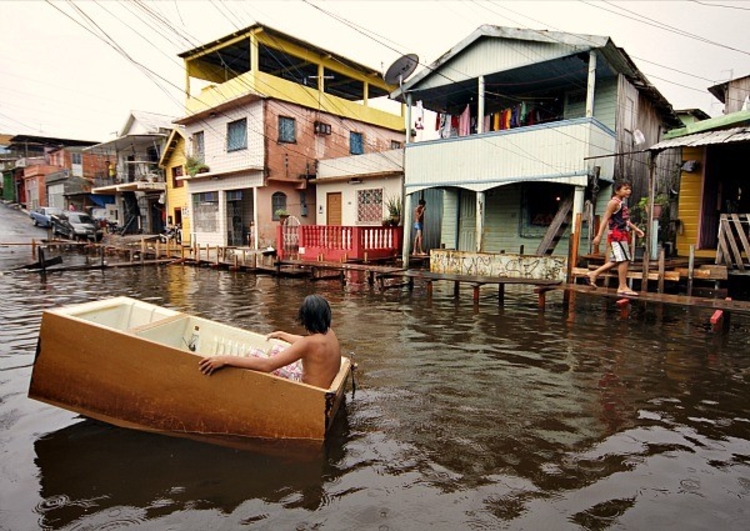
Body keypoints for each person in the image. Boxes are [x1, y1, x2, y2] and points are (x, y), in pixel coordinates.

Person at [199, 294, 342, 388]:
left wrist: (224, 359)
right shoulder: (330, 334)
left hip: (308, 390)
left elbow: (267, 366)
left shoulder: (307, 344)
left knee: (255, 354)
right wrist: (282, 334)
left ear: (305, 319)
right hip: (324, 384)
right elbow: (307, 343)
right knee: (276, 348)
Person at [587, 181, 645, 296]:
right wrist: (599, 235)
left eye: (629, 189)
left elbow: (625, 220)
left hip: (622, 233)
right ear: (617, 191)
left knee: (617, 259)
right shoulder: (613, 203)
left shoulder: (621, 203)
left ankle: (594, 273)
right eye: (625, 189)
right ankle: (622, 286)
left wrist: (636, 229)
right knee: (624, 259)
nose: (628, 191)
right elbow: (605, 219)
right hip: (616, 234)